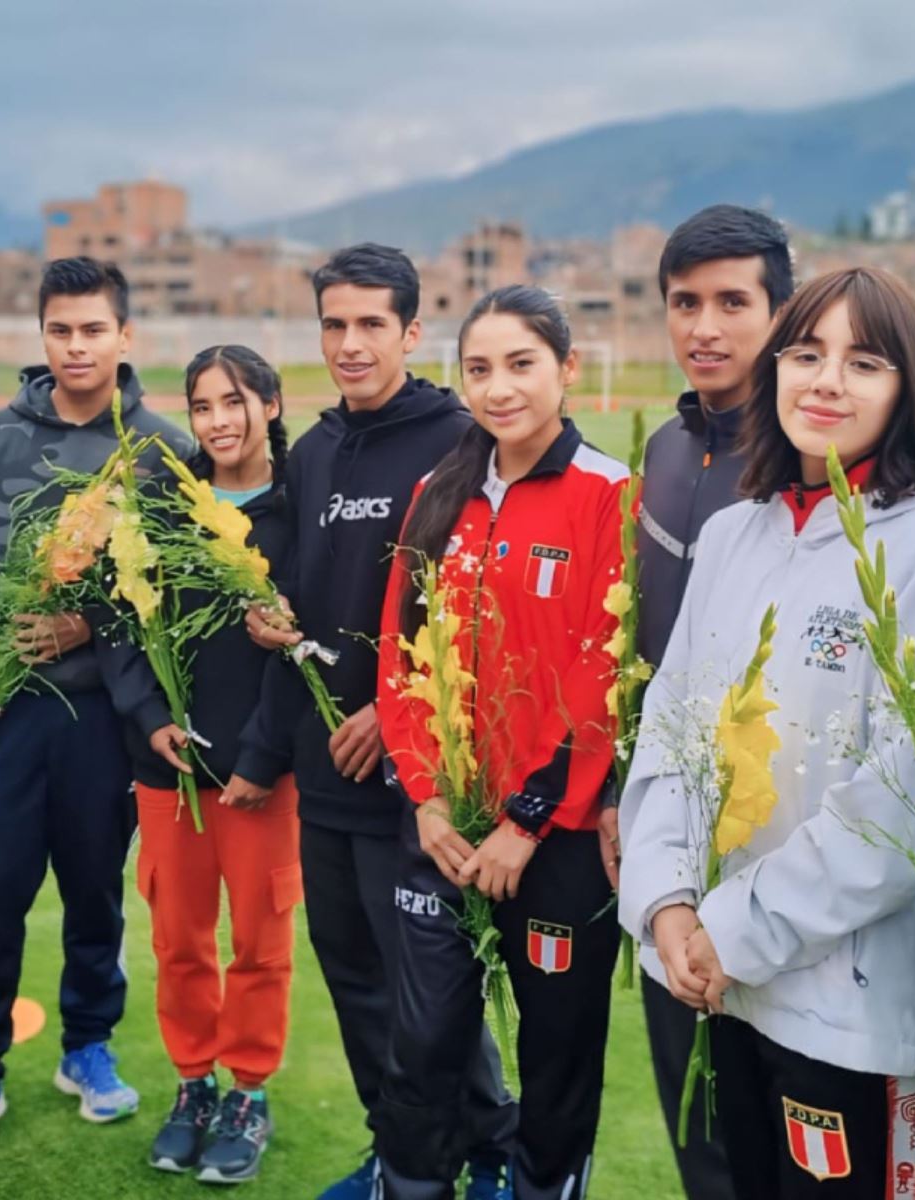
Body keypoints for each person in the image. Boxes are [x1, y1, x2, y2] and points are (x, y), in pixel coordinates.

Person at [621, 267, 915, 1199]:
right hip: (706, 981)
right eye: (806, 353)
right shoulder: (733, 535)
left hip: (847, 1013)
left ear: (908, 389)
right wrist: (669, 905)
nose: (827, 381)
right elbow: (670, 732)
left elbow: (904, 810)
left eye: (863, 361)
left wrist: (728, 931)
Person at [238, 244, 515, 1199]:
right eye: (333, 325)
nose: (350, 345)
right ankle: (397, 1152)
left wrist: (391, 717)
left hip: (421, 786)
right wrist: (271, 618)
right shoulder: (312, 452)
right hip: (326, 782)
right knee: (356, 987)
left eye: (370, 325)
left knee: (431, 1002)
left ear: (410, 332)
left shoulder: (459, 442)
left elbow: (480, 614)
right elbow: (300, 600)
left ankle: (483, 1157)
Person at [0, 257, 191, 1165]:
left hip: (100, 725)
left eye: (93, 330)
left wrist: (89, 624)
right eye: (60, 330)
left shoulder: (160, 449)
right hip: (1, 712)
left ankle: (86, 1045)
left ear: (126, 337)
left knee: (93, 892)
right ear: (41, 337)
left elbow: (175, 599)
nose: (77, 346)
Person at [374, 285, 628, 1200]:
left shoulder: (607, 495)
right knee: (427, 1038)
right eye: (478, 369)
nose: (498, 388)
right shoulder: (433, 496)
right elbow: (401, 660)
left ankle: (543, 1185)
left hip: (549, 844)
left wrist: (528, 818)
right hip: (442, 827)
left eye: (521, 364)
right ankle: (410, 1184)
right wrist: (429, 797)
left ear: (566, 368)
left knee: (557, 1052)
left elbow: (603, 675)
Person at [624, 204, 793, 1199]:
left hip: (778, 849)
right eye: (685, 302)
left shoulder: (811, 462)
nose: (705, 327)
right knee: (702, 1140)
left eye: (734, 302)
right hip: (665, 844)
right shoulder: (666, 453)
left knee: (783, 1142)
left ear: (781, 311)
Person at [101, 345, 299, 1184]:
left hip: (262, 774)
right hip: (168, 771)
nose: (218, 421)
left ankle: (248, 1091)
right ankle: (193, 1084)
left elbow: (300, 646)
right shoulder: (162, 504)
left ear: (272, 404)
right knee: (178, 938)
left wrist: (260, 754)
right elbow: (122, 623)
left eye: (235, 402)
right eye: (203, 405)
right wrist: (150, 722)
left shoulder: (299, 508)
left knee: (258, 939)